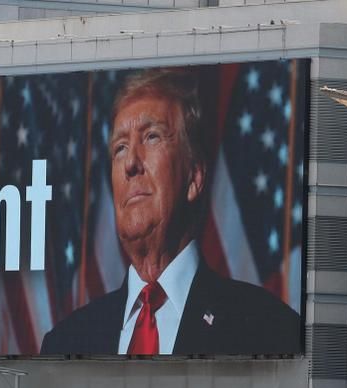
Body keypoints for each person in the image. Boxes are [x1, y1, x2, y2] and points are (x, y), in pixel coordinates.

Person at [41, 68, 300, 356]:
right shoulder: (65, 344)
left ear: (194, 178)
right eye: (120, 148)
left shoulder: (265, 329)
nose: (131, 164)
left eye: (151, 137)